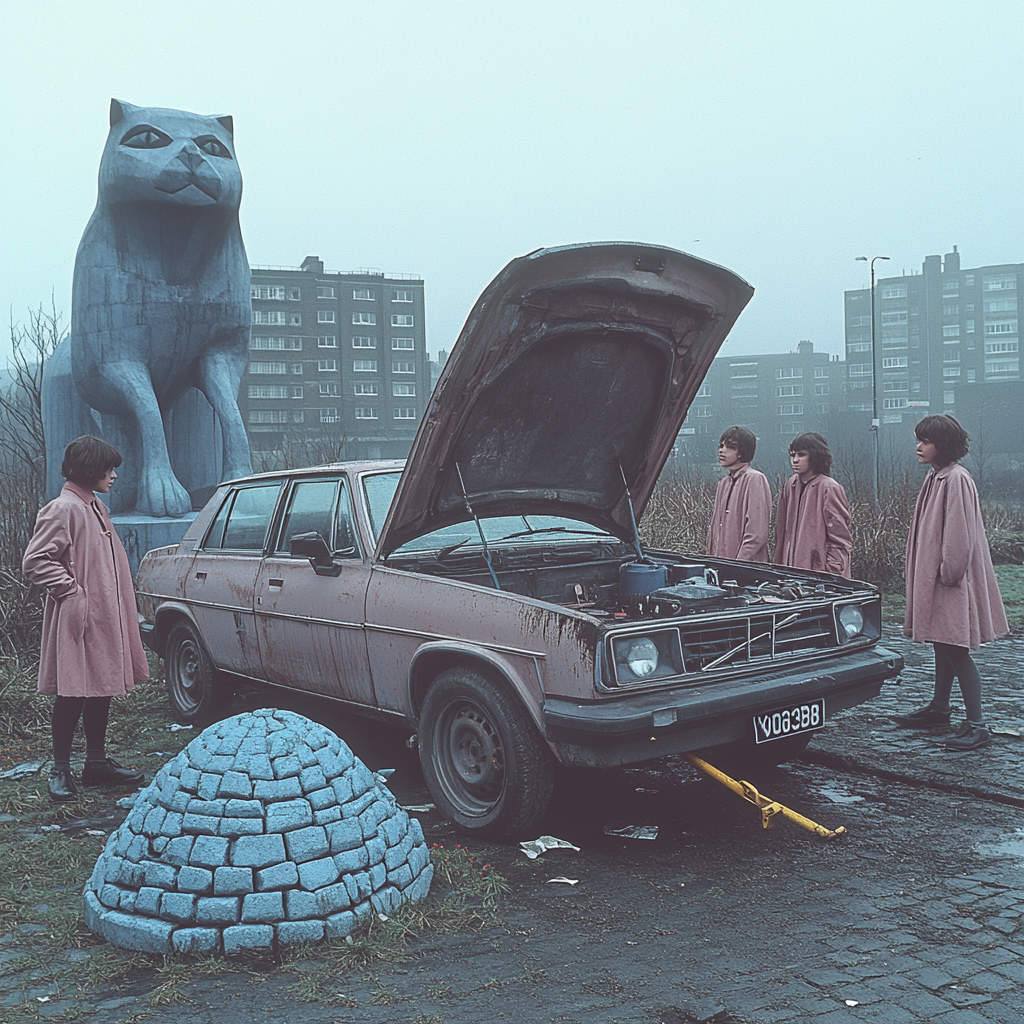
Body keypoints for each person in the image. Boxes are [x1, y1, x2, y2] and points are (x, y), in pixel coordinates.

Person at [22, 436, 149, 801]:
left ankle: (95, 764)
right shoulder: (64, 508)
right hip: (80, 616)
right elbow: (35, 561)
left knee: (101, 684)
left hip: (105, 615)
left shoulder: (93, 505)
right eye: (108, 469)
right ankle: (59, 769)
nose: (113, 476)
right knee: (73, 690)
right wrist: (71, 591)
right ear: (90, 469)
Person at [895, 415, 1009, 751]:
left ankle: (978, 724)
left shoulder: (956, 479)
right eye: (919, 440)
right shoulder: (937, 477)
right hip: (938, 579)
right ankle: (939, 709)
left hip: (950, 581)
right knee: (940, 643)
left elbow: (959, 536)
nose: (918, 446)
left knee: (956, 650)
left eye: (926, 441)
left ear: (942, 445)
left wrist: (947, 574)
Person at [773, 432, 853, 577]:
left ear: (816, 456)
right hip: (789, 574)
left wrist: (830, 571)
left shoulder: (829, 488)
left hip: (820, 579)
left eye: (801, 455)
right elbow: (781, 532)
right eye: (792, 455)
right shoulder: (791, 485)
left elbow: (840, 539)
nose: (795, 460)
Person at [706, 426, 772, 562]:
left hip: (745, 572)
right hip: (720, 568)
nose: (721, 450)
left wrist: (739, 564)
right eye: (721, 445)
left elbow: (756, 533)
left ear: (742, 452)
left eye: (729, 447)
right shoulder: (724, 483)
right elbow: (715, 530)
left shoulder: (755, 479)